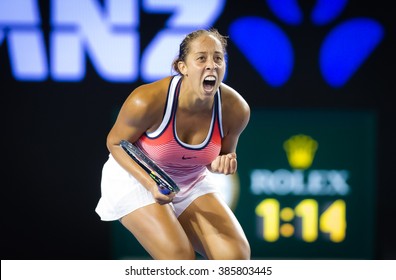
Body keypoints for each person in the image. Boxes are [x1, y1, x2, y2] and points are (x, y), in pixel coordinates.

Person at [95, 28, 251, 260]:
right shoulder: (146, 100)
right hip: (135, 178)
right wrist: (151, 184)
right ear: (182, 67)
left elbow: (221, 157)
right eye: (201, 58)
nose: (212, 65)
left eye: (218, 58)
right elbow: (115, 142)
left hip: (190, 180)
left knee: (235, 259)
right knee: (180, 260)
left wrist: (222, 162)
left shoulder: (236, 109)